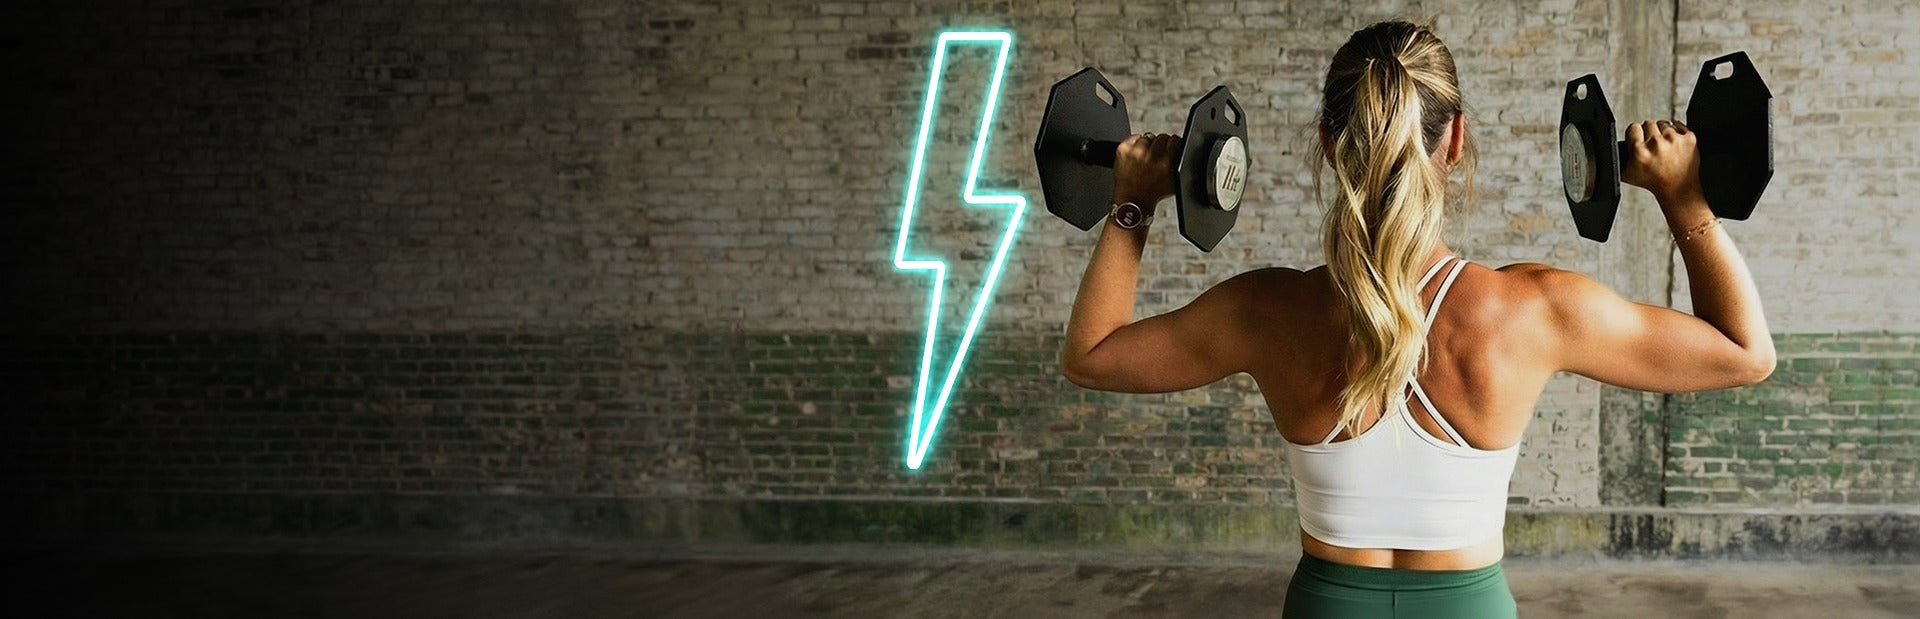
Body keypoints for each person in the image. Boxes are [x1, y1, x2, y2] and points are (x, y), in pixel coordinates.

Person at [1059, 20, 1774, 618]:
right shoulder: (1536, 309)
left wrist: (1133, 202)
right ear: (1455, 141)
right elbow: (1745, 353)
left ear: (1328, 143)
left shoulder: (1264, 310)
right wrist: (1684, 197)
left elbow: (1091, 355)